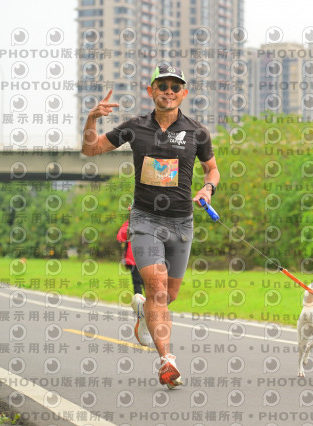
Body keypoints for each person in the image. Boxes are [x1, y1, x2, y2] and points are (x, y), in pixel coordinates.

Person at [81, 63, 219, 388]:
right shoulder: (134, 127)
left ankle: (144, 313)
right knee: (156, 288)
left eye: (175, 87)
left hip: (182, 222)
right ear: (151, 91)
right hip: (145, 219)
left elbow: (212, 169)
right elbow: (90, 149)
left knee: (169, 294)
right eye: (162, 86)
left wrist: (207, 189)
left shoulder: (197, 132)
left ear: (183, 93)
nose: (168, 91)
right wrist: (91, 119)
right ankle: (167, 360)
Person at [117, 206, 144, 296]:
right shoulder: (147, 224)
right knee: (144, 282)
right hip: (140, 257)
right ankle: (148, 302)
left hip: (134, 257)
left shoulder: (129, 224)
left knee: (138, 282)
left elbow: (121, 237)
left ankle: (142, 303)